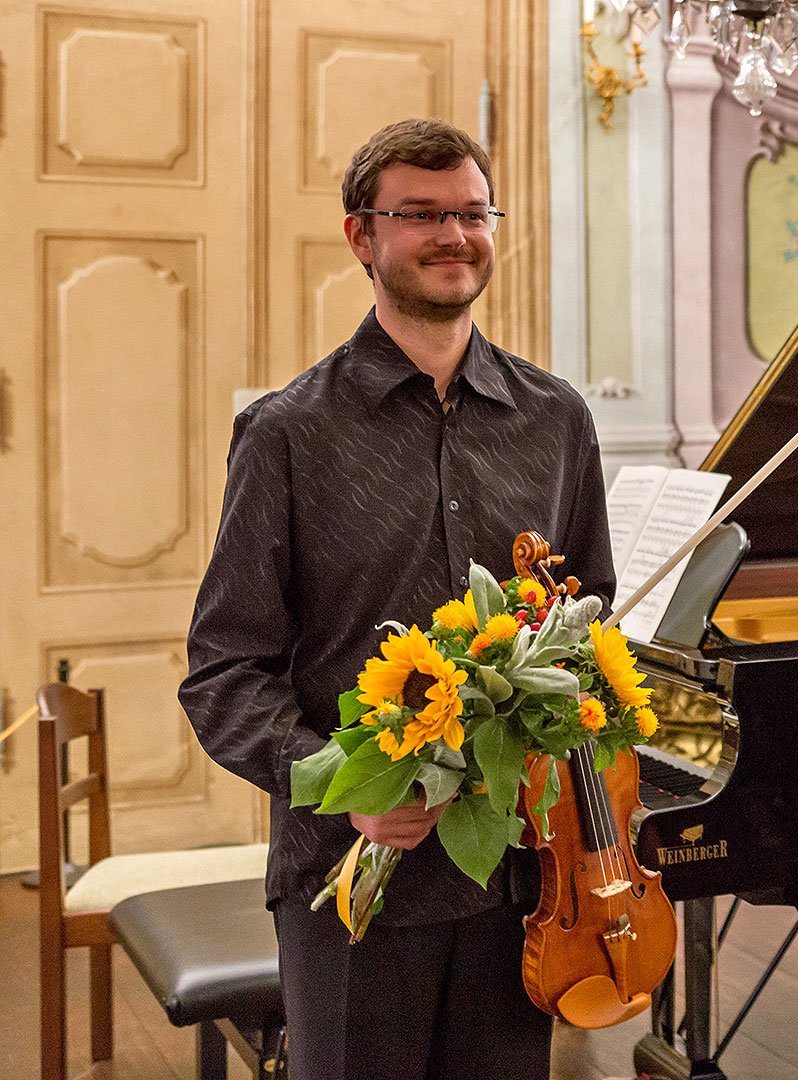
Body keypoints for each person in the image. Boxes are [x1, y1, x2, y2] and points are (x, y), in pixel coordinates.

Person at [180, 118, 613, 1079]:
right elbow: (222, 674)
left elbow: (587, 620)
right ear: (361, 237)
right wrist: (347, 784)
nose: (453, 235)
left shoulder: (556, 419)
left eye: (471, 211)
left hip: (520, 879)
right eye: (420, 214)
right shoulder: (287, 433)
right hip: (351, 881)